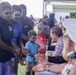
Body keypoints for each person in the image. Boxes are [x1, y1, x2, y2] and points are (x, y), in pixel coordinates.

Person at [0, 2, 24, 75]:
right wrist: (14, 50)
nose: (9, 15)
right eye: (6, 13)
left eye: (10, 13)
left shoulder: (9, 23)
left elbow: (8, 40)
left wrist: (18, 48)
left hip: (6, 58)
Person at [11, 5, 27, 75]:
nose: (18, 17)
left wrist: (22, 46)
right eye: (16, 14)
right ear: (11, 12)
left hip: (14, 53)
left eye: (19, 15)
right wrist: (15, 47)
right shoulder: (4, 23)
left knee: (14, 72)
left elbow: (19, 39)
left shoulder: (19, 24)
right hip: (5, 51)